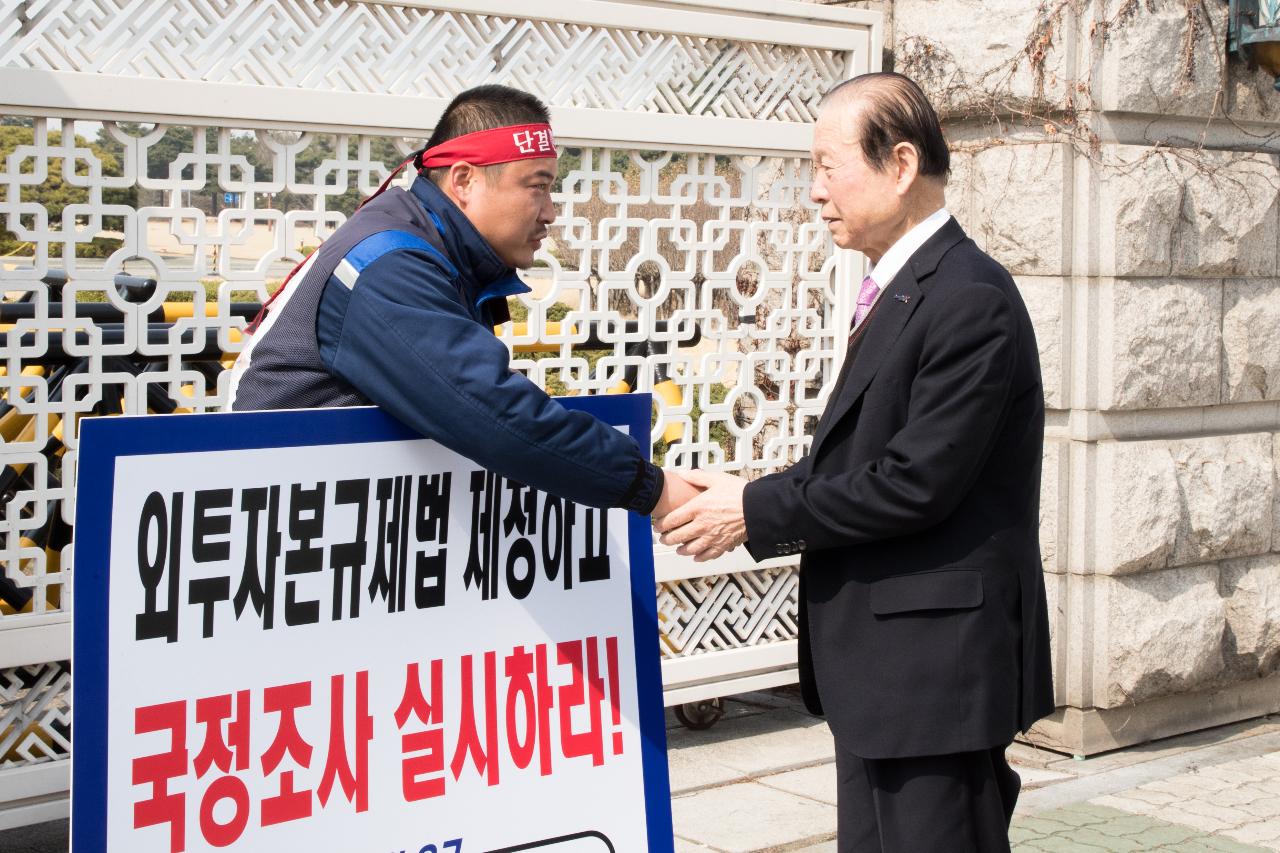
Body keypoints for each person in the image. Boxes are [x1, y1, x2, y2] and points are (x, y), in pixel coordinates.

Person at [657, 72, 1054, 851]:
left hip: (935, 675)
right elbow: (867, 460)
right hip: (888, 674)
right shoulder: (904, 287)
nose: (813, 192)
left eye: (826, 166)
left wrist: (757, 509)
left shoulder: (970, 298)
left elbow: (916, 481)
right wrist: (750, 492)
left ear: (900, 165)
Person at [228, 84, 695, 517]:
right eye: (537, 186)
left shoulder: (435, 248)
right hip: (285, 524)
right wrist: (653, 491)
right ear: (465, 181)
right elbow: (495, 416)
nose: (550, 212)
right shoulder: (388, 264)